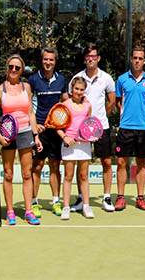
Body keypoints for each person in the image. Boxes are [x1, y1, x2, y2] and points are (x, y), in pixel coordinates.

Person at [0, 54, 43, 226]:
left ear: (22, 70)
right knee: (8, 174)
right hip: (7, 135)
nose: (13, 70)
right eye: (11, 67)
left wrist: (35, 135)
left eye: (17, 67)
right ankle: (9, 211)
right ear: (7, 68)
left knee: (26, 173)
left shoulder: (26, 87)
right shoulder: (0, 90)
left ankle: (29, 211)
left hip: (25, 133)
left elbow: (30, 113)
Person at [68, 43, 116, 213]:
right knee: (81, 164)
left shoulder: (107, 78)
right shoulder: (77, 78)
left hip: (101, 127)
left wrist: (100, 119)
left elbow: (111, 102)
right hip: (80, 130)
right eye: (88, 57)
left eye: (93, 56)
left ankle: (106, 197)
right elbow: (71, 103)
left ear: (98, 58)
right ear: (84, 59)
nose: (91, 60)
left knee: (107, 161)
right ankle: (81, 198)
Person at [114, 46, 145, 211]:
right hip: (125, 127)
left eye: (140, 58)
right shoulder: (122, 80)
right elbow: (119, 102)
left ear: (144, 61)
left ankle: (140, 197)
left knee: (141, 163)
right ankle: (120, 197)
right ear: (131, 59)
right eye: (135, 58)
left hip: (143, 128)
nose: (137, 61)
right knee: (121, 162)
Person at [28, 47, 68, 218]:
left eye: (51, 60)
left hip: (56, 131)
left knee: (55, 166)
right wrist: (35, 125)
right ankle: (34, 202)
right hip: (39, 131)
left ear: (55, 61)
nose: (48, 62)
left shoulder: (62, 80)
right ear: (41, 60)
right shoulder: (32, 80)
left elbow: (66, 104)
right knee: (36, 166)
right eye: (45, 59)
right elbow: (28, 105)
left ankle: (56, 201)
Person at [56, 77, 95, 220]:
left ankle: (86, 205)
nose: (78, 92)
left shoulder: (87, 106)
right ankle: (66, 207)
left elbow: (90, 124)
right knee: (68, 176)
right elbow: (58, 126)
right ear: (72, 89)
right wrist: (65, 137)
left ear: (85, 90)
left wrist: (91, 136)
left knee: (84, 176)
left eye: (81, 89)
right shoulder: (65, 105)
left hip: (84, 144)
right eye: (76, 89)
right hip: (69, 144)